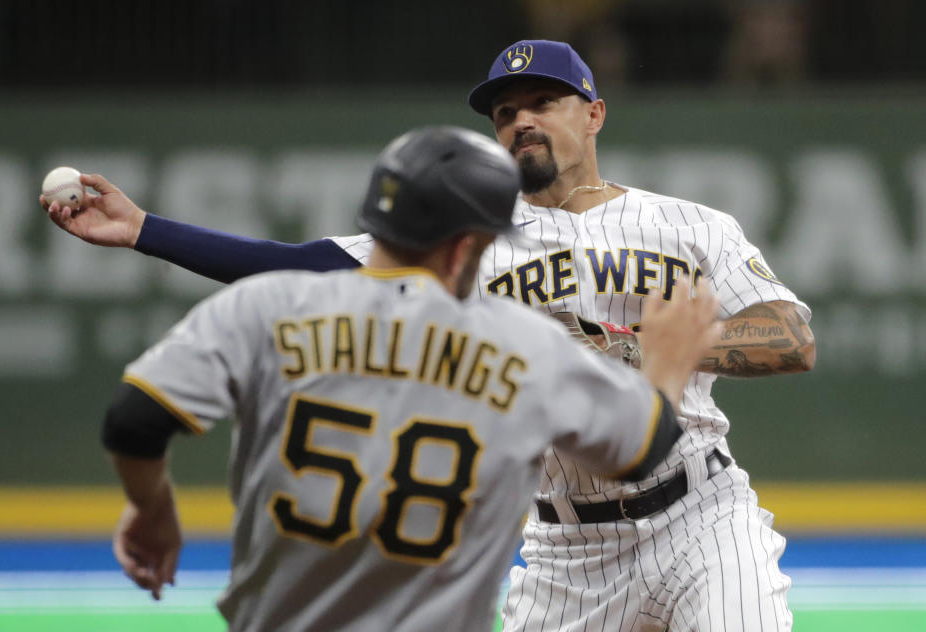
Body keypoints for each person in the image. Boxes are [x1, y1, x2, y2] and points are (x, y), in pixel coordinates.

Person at [44, 40, 816, 631]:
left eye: (543, 101)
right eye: (506, 112)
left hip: (700, 514)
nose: (522, 121)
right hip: (562, 545)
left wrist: (664, 351)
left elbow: (791, 335)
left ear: (594, 112)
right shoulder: (464, 237)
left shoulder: (687, 223)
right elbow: (296, 267)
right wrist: (147, 230)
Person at [100, 125, 721, 632]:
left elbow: (134, 421)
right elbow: (643, 448)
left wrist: (152, 511)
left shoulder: (263, 308)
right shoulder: (521, 345)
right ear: (465, 249)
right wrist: (664, 367)